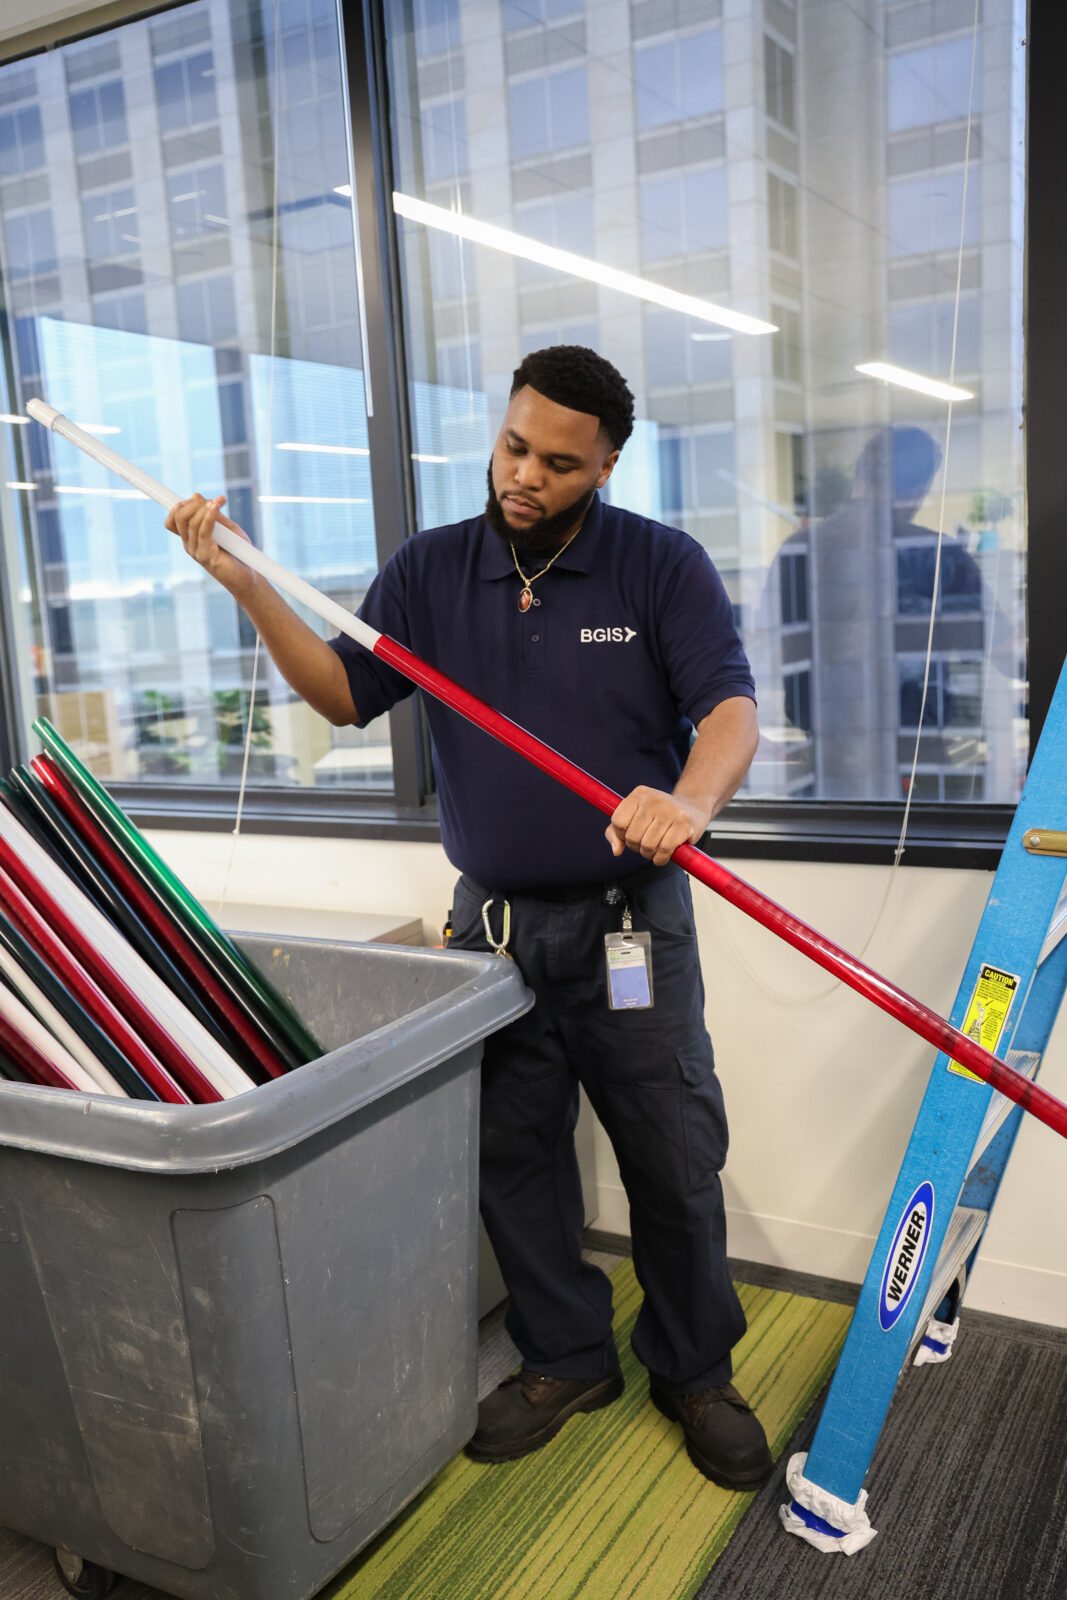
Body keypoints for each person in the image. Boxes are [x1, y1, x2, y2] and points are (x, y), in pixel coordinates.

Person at [166, 345, 771, 1490]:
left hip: (625, 929)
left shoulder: (658, 567)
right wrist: (248, 586)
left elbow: (728, 706)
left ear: (602, 466)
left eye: (556, 461)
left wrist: (686, 802)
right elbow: (346, 695)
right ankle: (564, 1354)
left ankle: (694, 1371)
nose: (523, 475)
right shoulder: (432, 572)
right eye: (512, 445)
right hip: (488, 934)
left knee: (671, 1152)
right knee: (510, 1151)